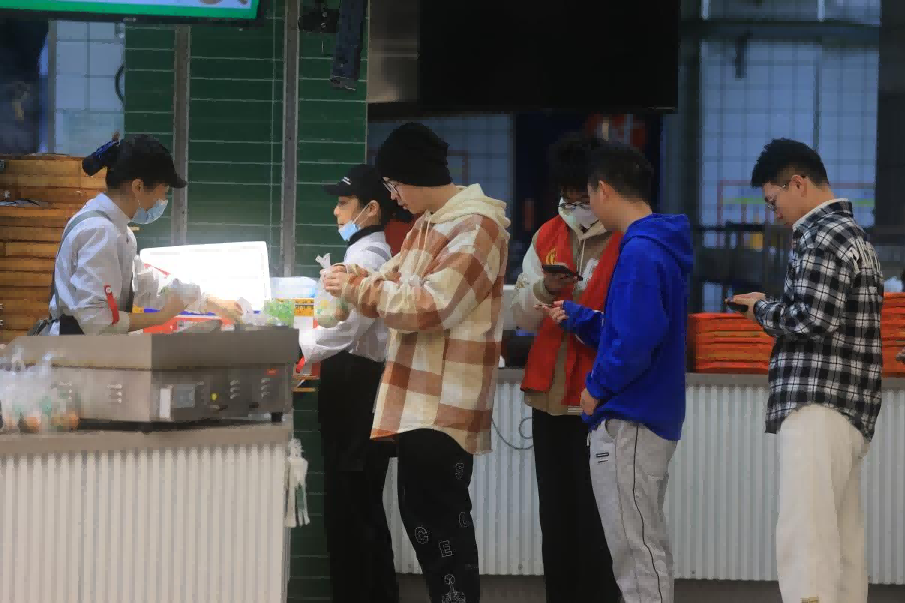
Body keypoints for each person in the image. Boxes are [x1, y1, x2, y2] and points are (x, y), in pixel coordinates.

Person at [323, 122, 509, 603]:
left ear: (415, 175)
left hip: (446, 402)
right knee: (424, 522)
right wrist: (352, 276)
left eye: (393, 184)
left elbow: (431, 305)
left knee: (443, 532)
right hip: (416, 402)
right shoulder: (429, 224)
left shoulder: (477, 226)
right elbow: (392, 279)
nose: (393, 196)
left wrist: (357, 287)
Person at [730, 138, 883, 603]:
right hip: (847, 407)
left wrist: (759, 309)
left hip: (817, 403)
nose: (773, 212)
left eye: (772, 199)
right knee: (841, 540)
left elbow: (810, 319)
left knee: (807, 539)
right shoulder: (854, 236)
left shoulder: (822, 235)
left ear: (797, 183)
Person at [541, 140, 692, 603]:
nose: (589, 205)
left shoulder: (640, 250)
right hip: (648, 413)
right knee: (641, 541)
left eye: (589, 195)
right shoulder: (658, 244)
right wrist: (582, 319)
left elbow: (636, 339)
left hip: (632, 416)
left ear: (604, 190)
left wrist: (596, 386)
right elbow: (634, 327)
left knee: (635, 548)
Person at [509, 131, 620, 603]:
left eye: (583, 195)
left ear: (603, 187)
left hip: (601, 398)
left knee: (599, 520)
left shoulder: (627, 237)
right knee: (555, 518)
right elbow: (520, 314)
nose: (576, 205)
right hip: (550, 398)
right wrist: (544, 290)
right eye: (569, 196)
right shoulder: (547, 234)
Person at [299, 164, 400, 603]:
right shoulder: (362, 253)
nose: (336, 212)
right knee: (356, 506)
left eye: (344, 203)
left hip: (358, 386)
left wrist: (300, 341)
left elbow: (345, 327)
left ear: (371, 208)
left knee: (353, 509)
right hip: (352, 383)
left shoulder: (369, 258)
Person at [41, 134, 239, 335]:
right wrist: (161, 317)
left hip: (88, 347)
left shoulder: (116, 229)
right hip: (76, 349)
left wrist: (205, 299)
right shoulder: (100, 231)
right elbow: (97, 321)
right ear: (138, 187)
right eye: (164, 191)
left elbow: (144, 284)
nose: (163, 200)